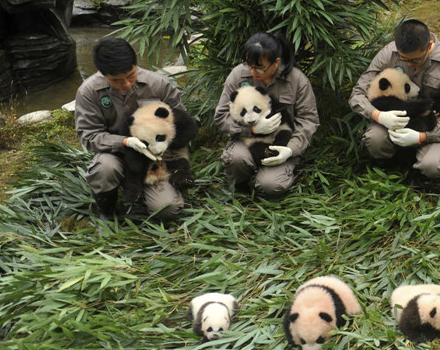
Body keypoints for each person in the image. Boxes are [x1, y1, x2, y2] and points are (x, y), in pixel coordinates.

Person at [75, 37, 190, 221]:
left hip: (155, 158)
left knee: (168, 210)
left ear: (135, 64)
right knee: (104, 169)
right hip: (115, 154)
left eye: (131, 75)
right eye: (117, 80)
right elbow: (89, 136)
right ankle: (107, 212)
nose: (126, 84)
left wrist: (163, 142)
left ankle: (148, 190)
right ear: (103, 74)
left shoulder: (159, 84)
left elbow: (184, 124)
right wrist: (125, 142)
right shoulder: (89, 92)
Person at [349, 19, 440, 179]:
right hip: (394, 122)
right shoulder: (388, 54)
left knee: (432, 166)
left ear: (430, 46)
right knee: (374, 138)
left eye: (415, 60)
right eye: (404, 59)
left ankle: (420, 170)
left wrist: (421, 137)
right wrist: (378, 116)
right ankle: (389, 163)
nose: (409, 65)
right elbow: (357, 95)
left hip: (431, 126)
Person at [214, 32, 319, 197]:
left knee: (270, 186)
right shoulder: (237, 75)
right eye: (249, 65)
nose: (252, 71)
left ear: (276, 62)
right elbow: (221, 116)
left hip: (282, 141)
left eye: (259, 67)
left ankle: (276, 174)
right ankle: (241, 186)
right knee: (237, 159)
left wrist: (290, 150)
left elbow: (309, 121)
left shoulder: (297, 80)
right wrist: (252, 130)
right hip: (247, 140)